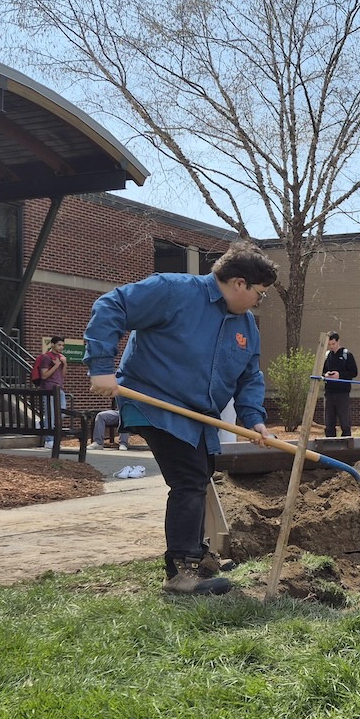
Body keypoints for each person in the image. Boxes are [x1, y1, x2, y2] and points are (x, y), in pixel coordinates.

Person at [84, 241, 278, 596]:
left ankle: (197, 556)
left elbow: (250, 376)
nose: (258, 301)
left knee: (200, 476)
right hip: (156, 403)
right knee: (189, 479)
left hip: (199, 416)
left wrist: (253, 419)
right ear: (239, 283)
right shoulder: (174, 291)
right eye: (259, 293)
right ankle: (181, 571)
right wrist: (100, 366)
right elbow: (112, 305)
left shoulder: (246, 326)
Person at [323, 332, 358, 437]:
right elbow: (322, 371)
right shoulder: (327, 356)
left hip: (342, 393)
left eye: (333, 344)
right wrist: (326, 375)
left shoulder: (347, 355)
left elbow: (354, 372)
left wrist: (340, 375)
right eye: (329, 345)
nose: (331, 347)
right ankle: (329, 442)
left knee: (344, 421)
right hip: (329, 393)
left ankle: (346, 442)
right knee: (329, 422)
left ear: (338, 341)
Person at [35, 336, 67, 449]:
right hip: (48, 389)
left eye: (63, 345)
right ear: (52, 344)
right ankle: (49, 440)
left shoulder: (61, 357)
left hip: (59, 389)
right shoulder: (46, 357)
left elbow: (62, 375)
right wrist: (56, 365)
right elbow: (44, 376)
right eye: (59, 345)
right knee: (51, 414)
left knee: (61, 413)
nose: (61, 347)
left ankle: (42, 423)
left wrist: (64, 363)